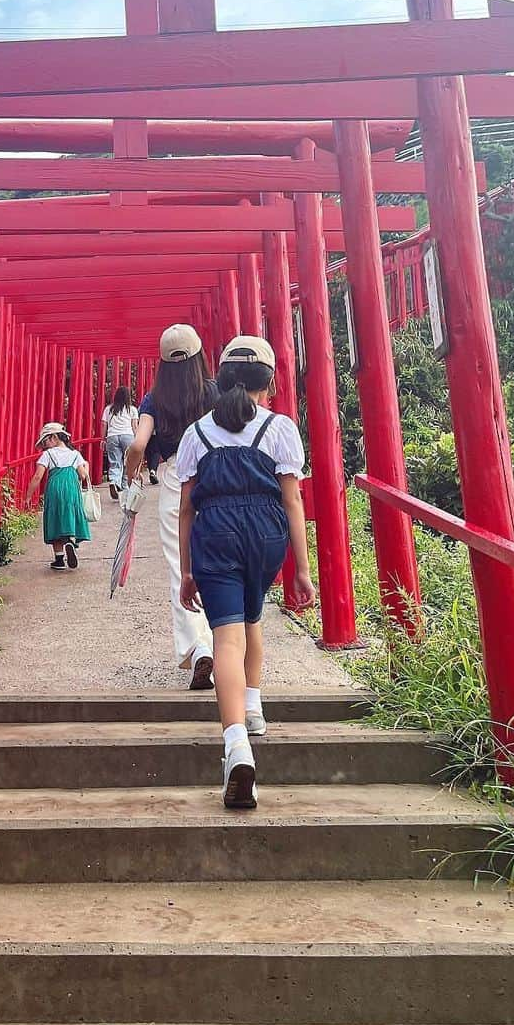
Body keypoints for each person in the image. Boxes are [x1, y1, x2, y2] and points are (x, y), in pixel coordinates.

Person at [176, 335, 316, 809]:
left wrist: (187, 571)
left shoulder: (196, 434)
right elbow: (292, 499)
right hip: (265, 534)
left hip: (214, 532)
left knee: (227, 637)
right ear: (268, 383)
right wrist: (302, 570)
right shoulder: (280, 428)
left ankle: (236, 746)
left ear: (221, 380)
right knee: (252, 619)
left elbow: (185, 508)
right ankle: (253, 708)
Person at [124, 324, 220, 689]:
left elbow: (137, 446)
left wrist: (131, 474)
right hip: (214, 475)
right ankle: (223, 641)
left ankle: (197, 648)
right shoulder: (215, 392)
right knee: (218, 562)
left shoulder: (154, 399)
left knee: (182, 569)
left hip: (176, 477)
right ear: (199, 356)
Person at [27, 422, 92, 571]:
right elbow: (83, 475)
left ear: (54, 437)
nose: (44, 445)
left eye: (45, 441)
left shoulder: (48, 454)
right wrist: (86, 465)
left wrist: (28, 496)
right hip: (71, 488)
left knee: (55, 517)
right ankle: (69, 540)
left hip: (54, 487)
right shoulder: (75, 454)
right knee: (69, 512)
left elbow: (38, 477)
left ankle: (59, 559)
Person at [101, 385, 139, 501]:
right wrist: (137, 441)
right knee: (128, 463)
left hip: (112, 436)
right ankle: (124, 488)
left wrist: (103, 439)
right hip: (127, 435)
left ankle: (113, 481)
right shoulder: (131, 409)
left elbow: (103, 424)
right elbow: (135, 426)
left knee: (115, 461)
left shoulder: (109, 409)